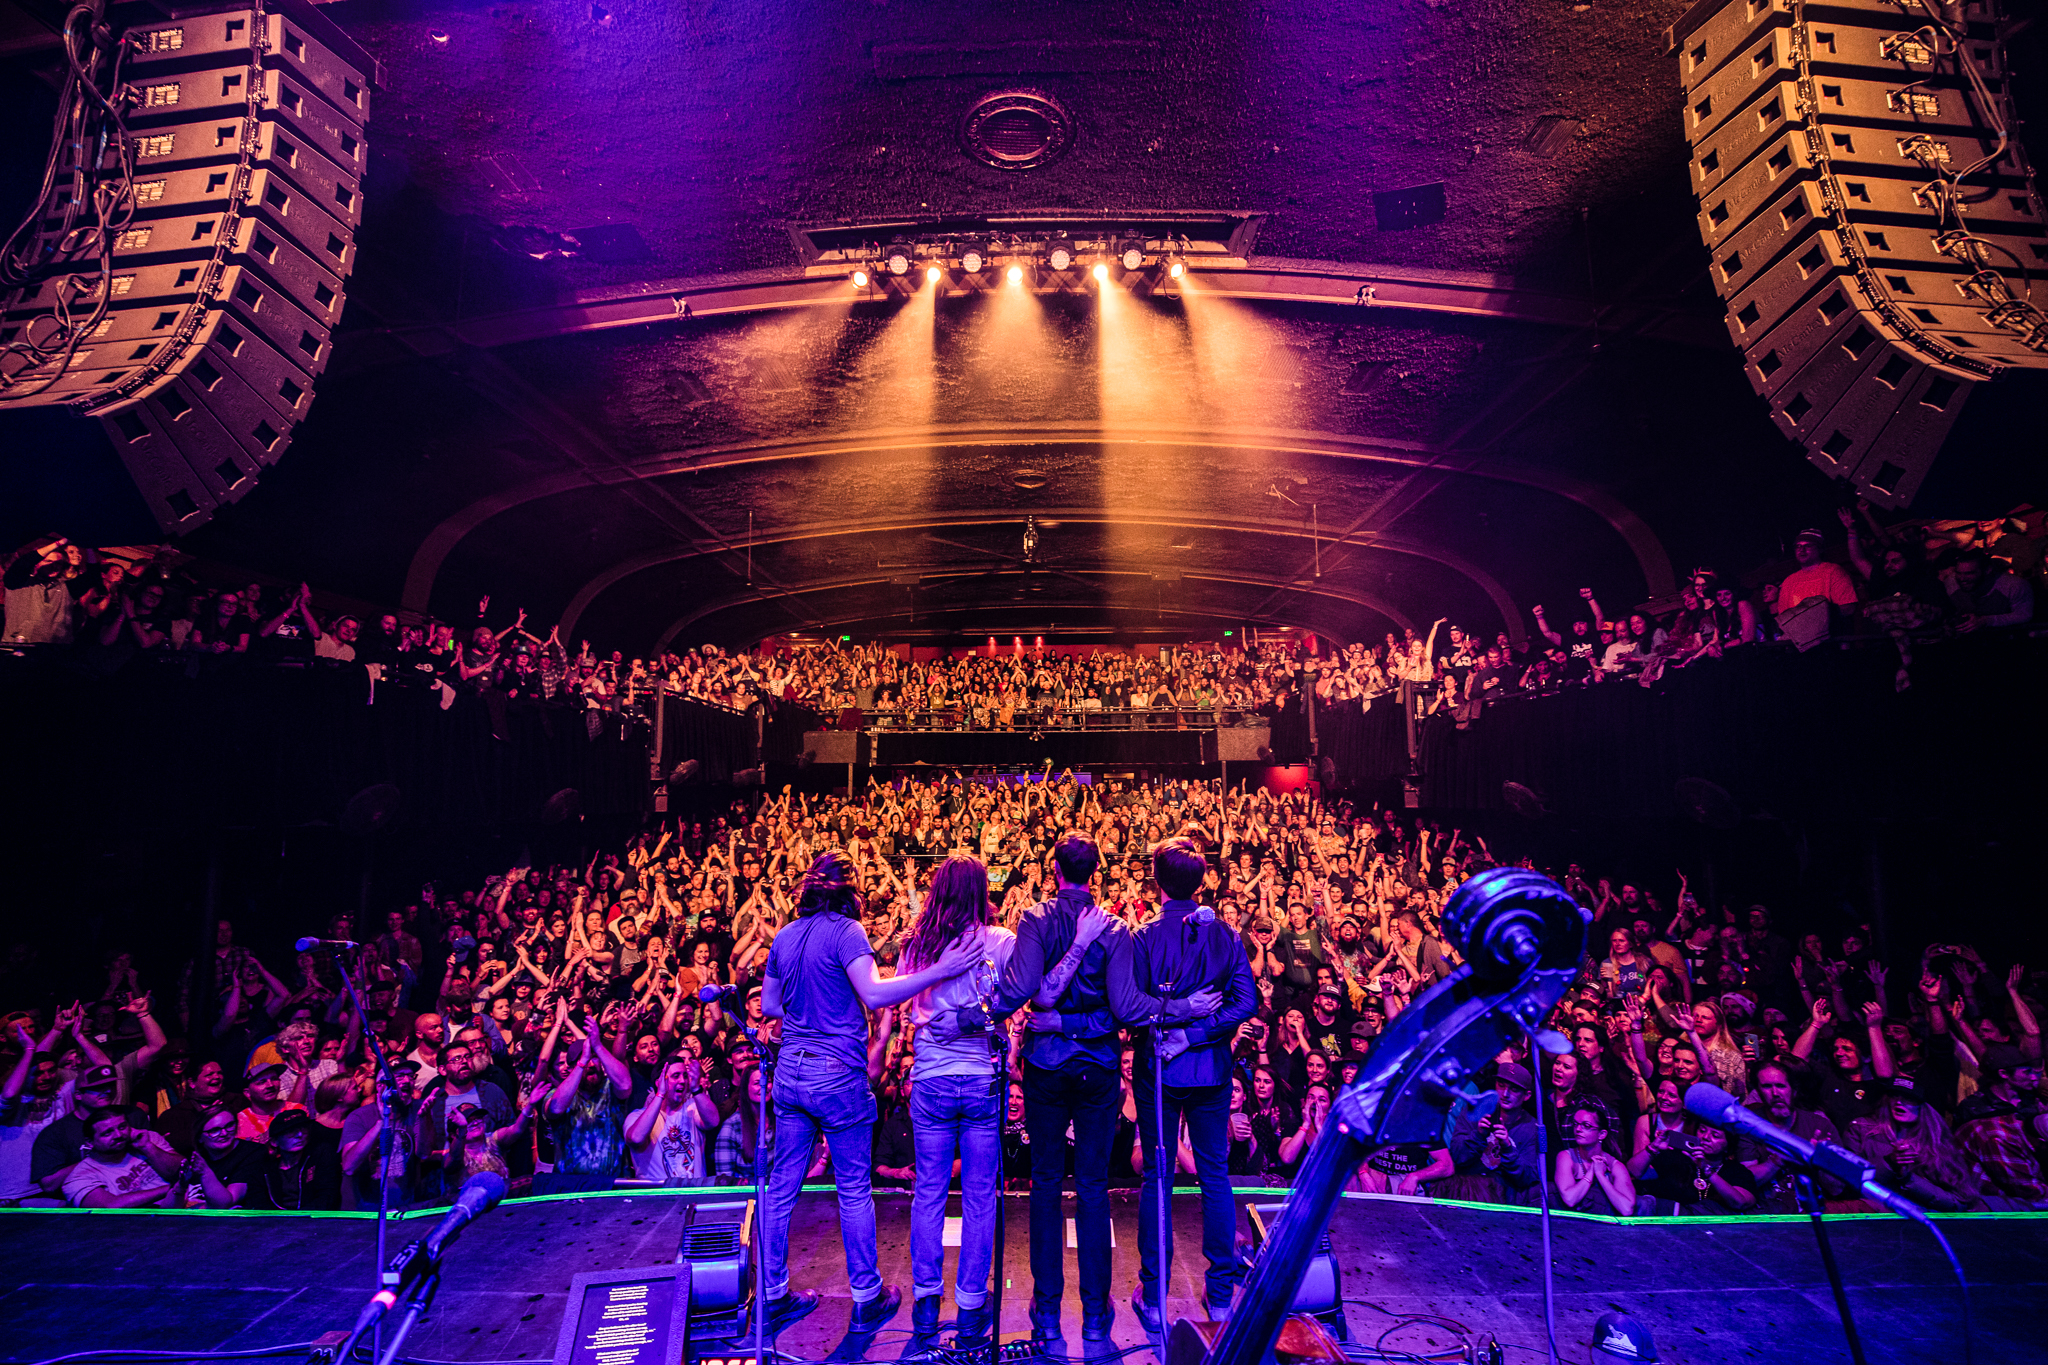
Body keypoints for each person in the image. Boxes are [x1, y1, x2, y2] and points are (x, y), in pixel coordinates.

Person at [985, 832, 1218, 1354]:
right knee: (1091, 1186)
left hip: (1046, 1063)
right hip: (1098, 1066)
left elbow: (1021, 991)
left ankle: (1047, 1313)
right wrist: (1186, 1008)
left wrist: (1026, 1013)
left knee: (1045, 1184)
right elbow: (1130, 1009)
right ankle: (1094, 1316)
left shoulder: (1035, 920)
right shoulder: (1114, 928)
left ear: (1054, 870)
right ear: (1098, 872)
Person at [756, 851, 982, 1339]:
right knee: (854, 1189)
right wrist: (939, 970)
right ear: (848, 890)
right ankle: (867, 1299)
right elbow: (876, 994)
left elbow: (771, 1004)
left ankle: (773, 1298)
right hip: (836, 1075)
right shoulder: (846, 932)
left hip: (791, 1073)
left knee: (780, 1189)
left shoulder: (785, 935)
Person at [1120, 837, 1260, 1330]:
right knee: (1214, 1176)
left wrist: (1176, 1032)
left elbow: (1131, 1005)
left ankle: (1154, 1296)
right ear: (1202, 882)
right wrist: (1199, 1033)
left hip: (1159, 1069)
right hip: (1213, 1070)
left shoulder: (1142, 937)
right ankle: (1220, 1295)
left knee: (1157, 1176)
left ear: (1156, 881)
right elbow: (1245, 1004)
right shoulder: (1225, 935)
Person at [898, 855, 1016, 1348]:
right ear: (981, 890)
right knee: (979, 1196)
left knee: (928, 1190)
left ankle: (927, 1301)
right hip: (980, 1076)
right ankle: (970, 1304)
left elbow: (905, 1003)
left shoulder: (916, 944)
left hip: (930, 1077)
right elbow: (1016, 994)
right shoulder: (1001, 940)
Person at [624, 1053, 718, 1185]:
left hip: (694, 1196)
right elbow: (636, 1138)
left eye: (685, 1076)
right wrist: (660, 1094)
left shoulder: (692, 1107)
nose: (682, 1081)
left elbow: (713, 1121)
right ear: (659, 1082)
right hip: (657, 1200)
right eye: (675, 1076)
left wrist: (696, 1088)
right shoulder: (636, 1117)